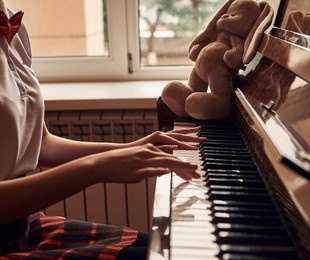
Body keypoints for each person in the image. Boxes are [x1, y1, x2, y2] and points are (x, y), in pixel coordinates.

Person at [0, 1, 203, 259]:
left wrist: (134, 147)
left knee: (162, 246)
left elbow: (41, 144)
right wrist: (97, 167)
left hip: (25, 228)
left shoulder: (12, 24)